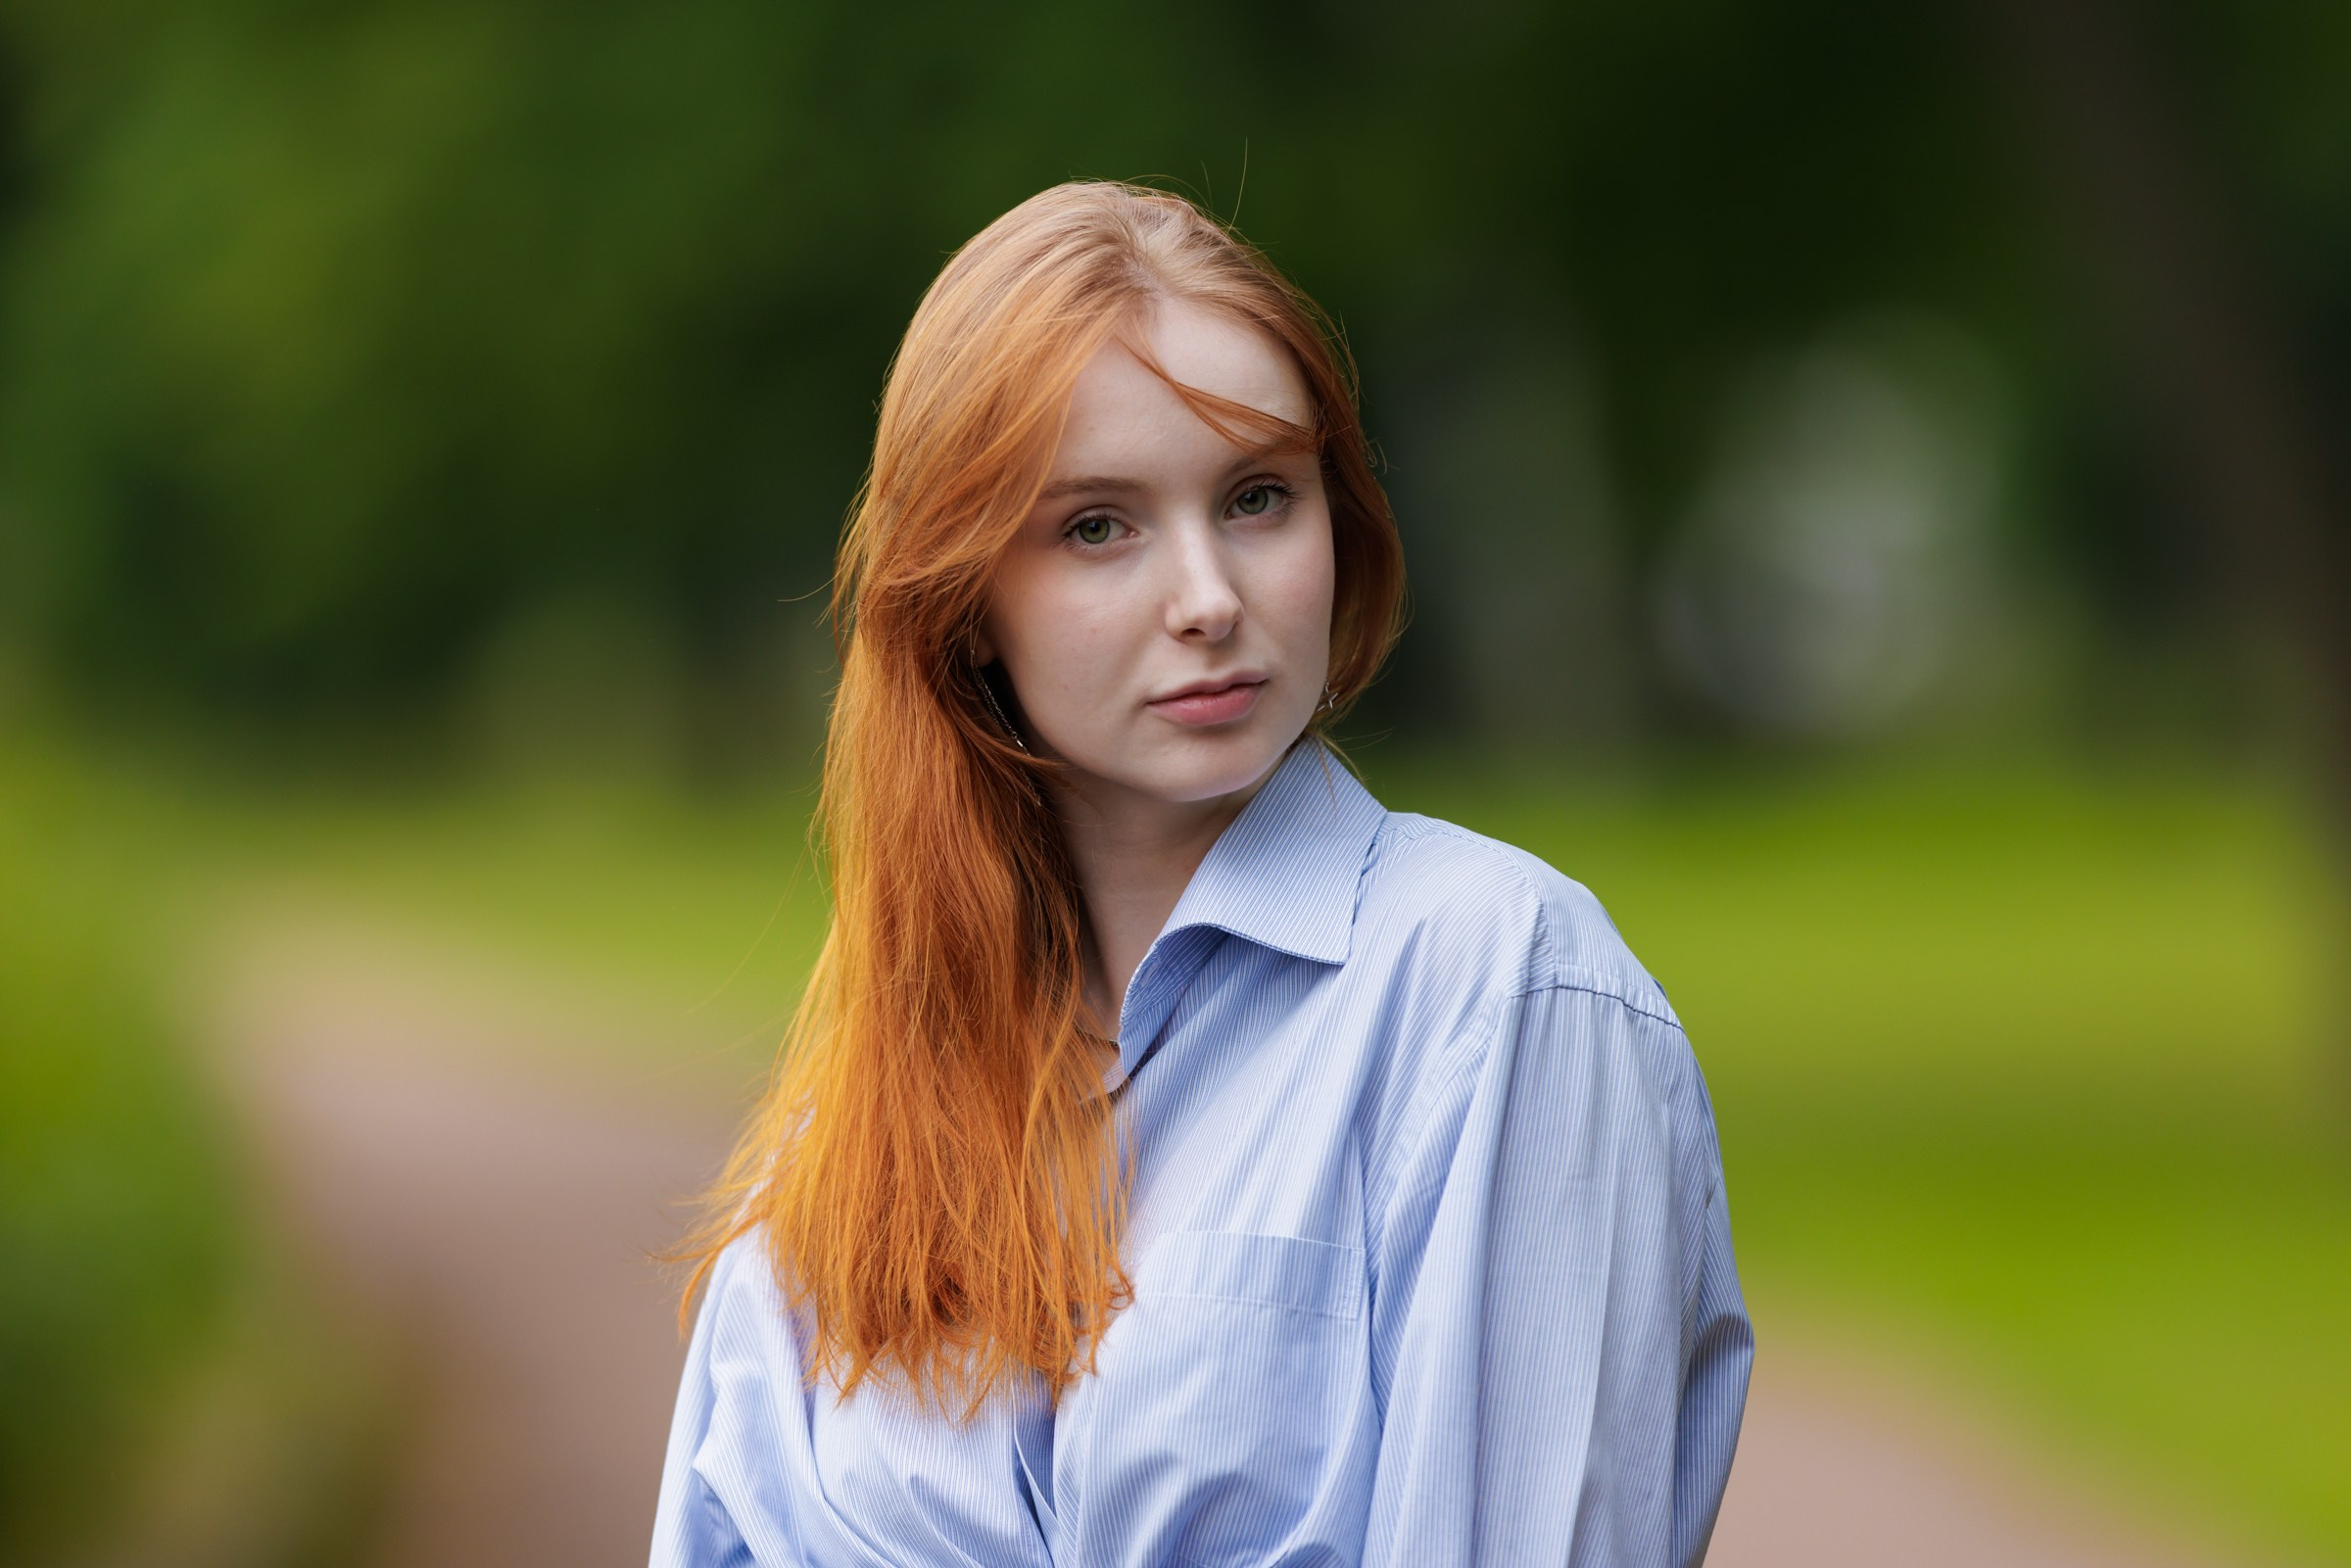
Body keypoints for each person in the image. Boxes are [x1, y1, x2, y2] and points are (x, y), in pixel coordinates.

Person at [650, 180, 1751, 1568]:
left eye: (1256, 498)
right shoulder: (853, 1130)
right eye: (1098, 524)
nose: (1210, 597)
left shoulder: (1496, 985)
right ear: (967, 601)